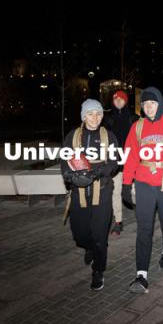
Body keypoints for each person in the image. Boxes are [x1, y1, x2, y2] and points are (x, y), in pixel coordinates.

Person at [122, 87, 163, 293]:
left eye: (152, 103)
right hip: (144, 183)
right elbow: (130, 156)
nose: (149, 107)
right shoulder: (137, 127)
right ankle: (141, 274)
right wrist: (126, 183)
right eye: (145, 104)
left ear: (160, 103)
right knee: (144, 229)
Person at [61, 99, 118, 291]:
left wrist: (99, 172)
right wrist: (69, 176)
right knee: (80, 234)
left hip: (101, 191)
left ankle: (98, 270)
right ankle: (89, 246)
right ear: (84, 116)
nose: (95, 118)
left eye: (99, 114)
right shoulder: (73, 136)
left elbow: (115, 161)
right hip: (79, 193)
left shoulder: (108, 136)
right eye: (91, 114)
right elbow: (65, 160)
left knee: (100, 235)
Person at [103, 90, 138, 236]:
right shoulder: (107, 119)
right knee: (115, 193)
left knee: (135, 193)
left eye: (121, 99)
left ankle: (143, 215)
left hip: (132, 161)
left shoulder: (133, 118)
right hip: (115, 162)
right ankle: (118, 221)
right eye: (116, 99)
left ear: (125, 101)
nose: (118, 101)